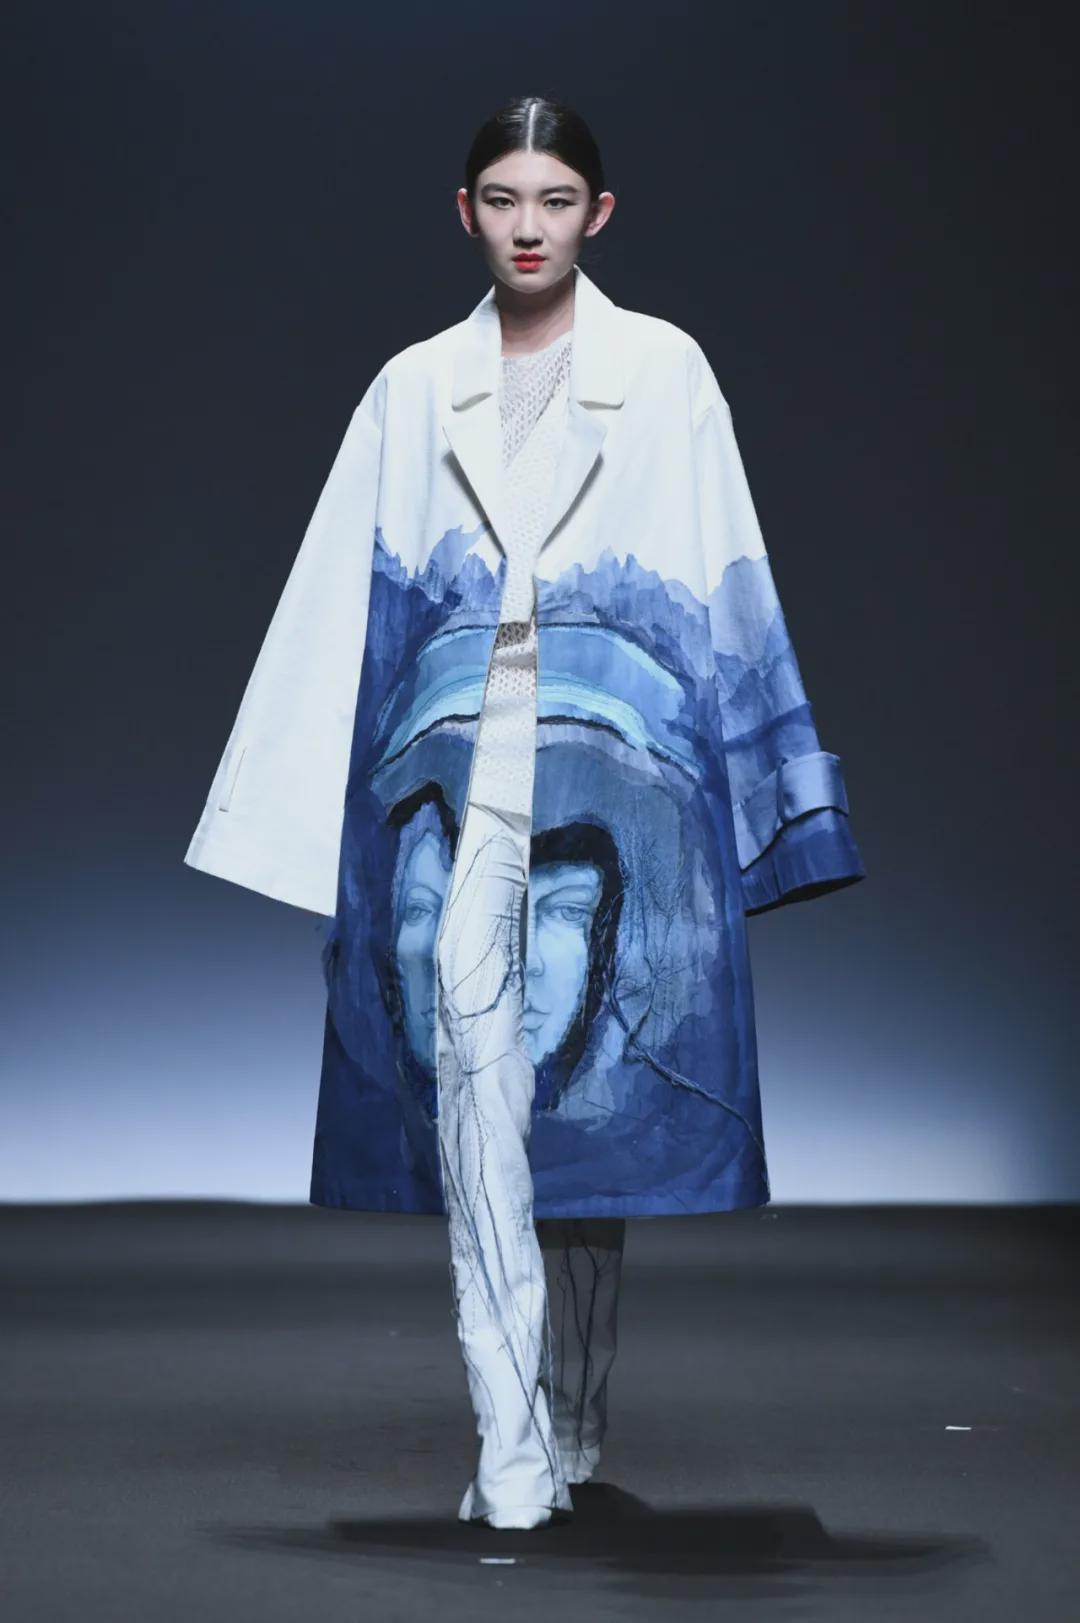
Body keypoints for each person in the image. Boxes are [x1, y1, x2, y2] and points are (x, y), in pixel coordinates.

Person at [184, 94, 866, 1534]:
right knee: (474, 1071)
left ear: (598, 214)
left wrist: (777, 798)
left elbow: (724, 570)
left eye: (556, 199)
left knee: (591, 1096)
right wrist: (290, 815)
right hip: (456, 779)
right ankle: (507, 1456)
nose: (530, 226)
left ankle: (568, 1426)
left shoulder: (664, 370)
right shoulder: (413, 386)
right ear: (466, 212)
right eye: (504, 199)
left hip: (620, 777)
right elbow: (342, 592)